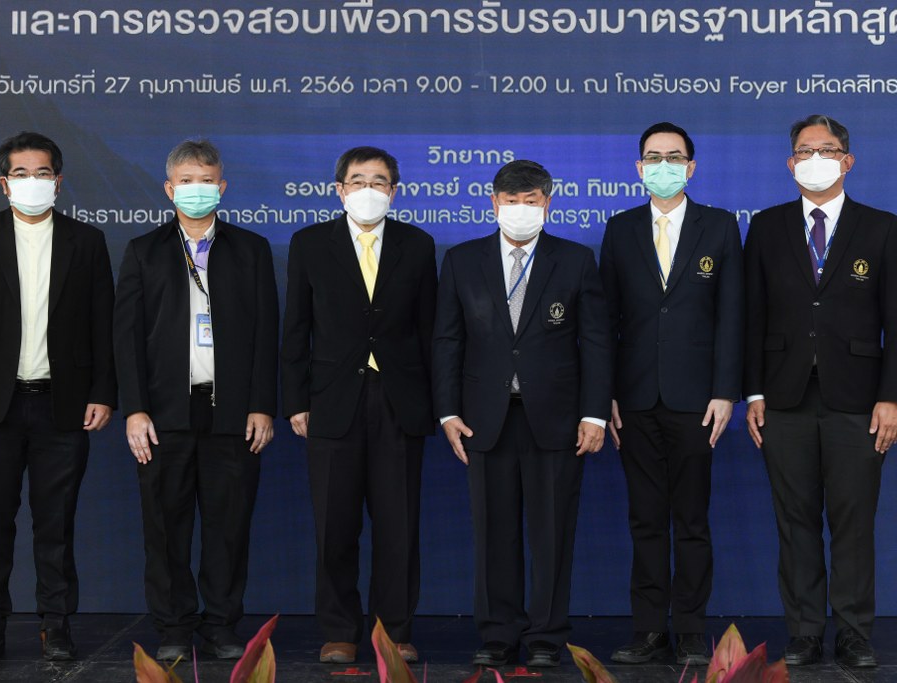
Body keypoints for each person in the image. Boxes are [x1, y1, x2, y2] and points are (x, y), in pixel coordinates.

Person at [744, 115, 897, 668]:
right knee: (794, 522)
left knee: (852, 521)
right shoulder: (766, 226)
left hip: (859, 399)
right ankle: (804, 633)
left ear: (848, 160)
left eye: (827, 149)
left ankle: (854, 634)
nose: (815, 158)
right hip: (783, 397)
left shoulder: (881, 227)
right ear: (790, 163)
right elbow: (752, 315)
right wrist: (753, 393)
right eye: (804, 150)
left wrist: (893, 396)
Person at [0, 131, 116, 662]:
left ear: (58, 182)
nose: (32, 182)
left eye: (42, 174)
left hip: (63, 404)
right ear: (4, 184)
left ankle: (56, 626)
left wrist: (103, 392)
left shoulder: (87, 241)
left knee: (55, 523)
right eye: (21, 174)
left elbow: (102, 324)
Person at [433, 160, 610, 668]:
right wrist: (447, 412)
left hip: (556, 418)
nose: (520, 210)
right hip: (483, 418)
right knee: (494, 532)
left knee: (552, 533)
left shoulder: (574, 260)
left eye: (531, 201)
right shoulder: (462, 261)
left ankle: (546, 636)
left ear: (547, 204)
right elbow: (447, 340)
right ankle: (497, 634)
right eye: (511, 202)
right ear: (494, 203)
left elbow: (597, 341)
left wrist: (595, 414)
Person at [114, 139, 279, 663]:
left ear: (222, 187)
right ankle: (173, 627)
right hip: (164, 414)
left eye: (206, 181)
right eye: (187, 181)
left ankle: (221, 626)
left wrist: (262, 404)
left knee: (228, 528)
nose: (197, 190)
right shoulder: (144, 251)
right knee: (166, 527)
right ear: (169, 189)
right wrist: (135, 409)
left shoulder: (250, 249)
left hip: (232, 413)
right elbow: (126, 337)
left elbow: (267, 334)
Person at [281, 146, 436, 664]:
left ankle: (394, 632)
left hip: (400, 401)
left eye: (379, 181)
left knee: (399, 525)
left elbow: (430, 331)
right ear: (339, 189)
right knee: (335, 524)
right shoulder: (309, 244)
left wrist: (435, 403)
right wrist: (296, 400)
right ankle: (339, 631)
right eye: (358, 180)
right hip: (331, 401)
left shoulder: (418, 245)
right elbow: (296, 328)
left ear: (394, 191)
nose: (368, 190)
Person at [599, 122, 744, 666]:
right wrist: (606, 393)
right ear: (639, 168)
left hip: (697, 400)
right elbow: (604, 321)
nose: (664, 165)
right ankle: (648, 630)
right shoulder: (620, 229)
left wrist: (725, 391)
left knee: (691, 520)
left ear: (691, 167)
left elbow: (732, 315)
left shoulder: (719, 226)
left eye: (674, 157)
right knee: (645, 519)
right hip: (634, 398)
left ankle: (689, 629)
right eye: (654, 157)